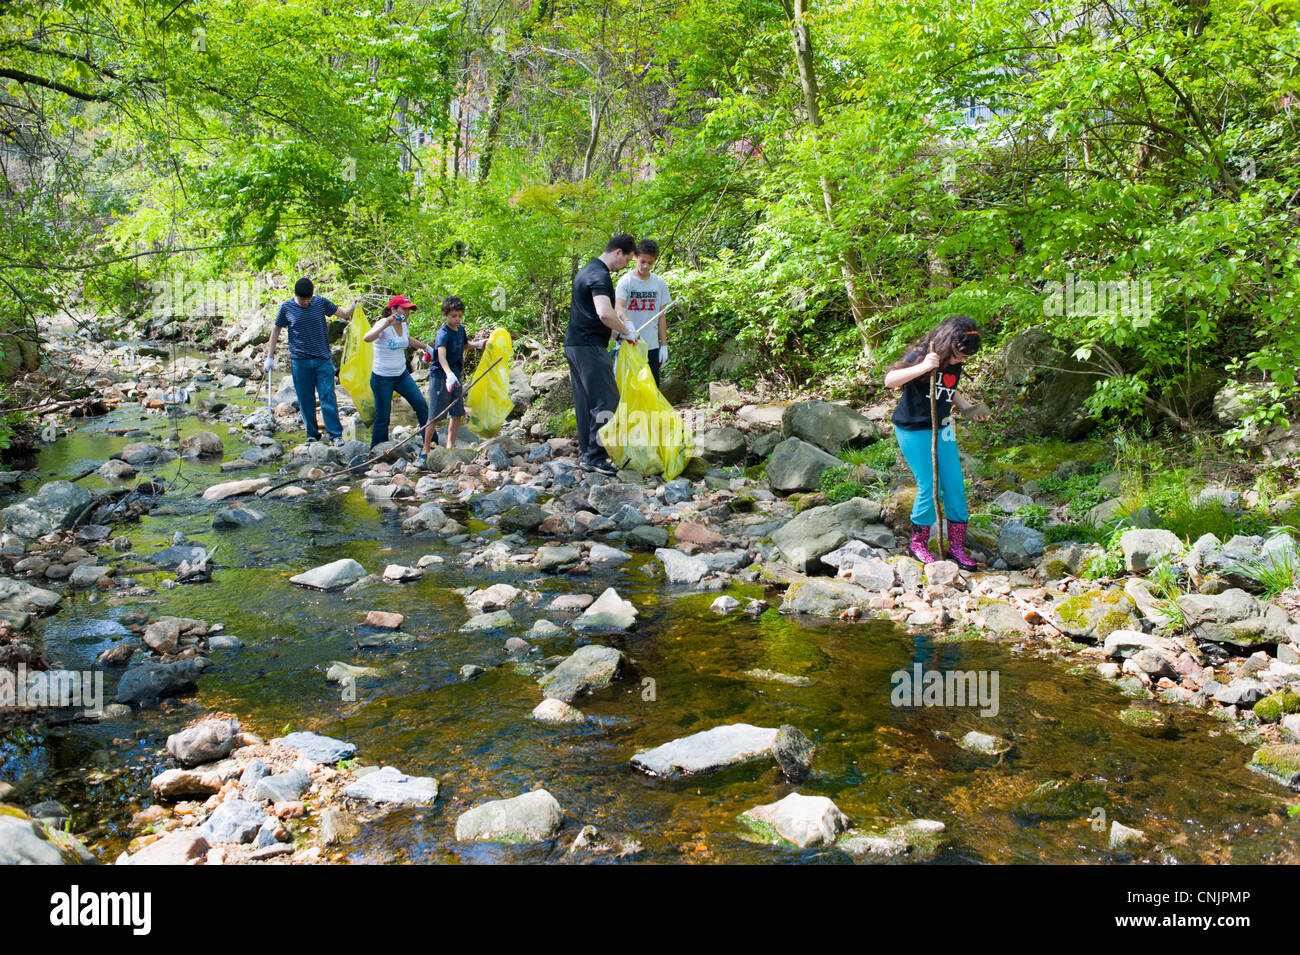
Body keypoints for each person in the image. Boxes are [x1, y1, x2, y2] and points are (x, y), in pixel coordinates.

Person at [883, 314, 989, 570]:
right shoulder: (923, 352)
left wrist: (968, 408)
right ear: (947, 343)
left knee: (954, 486)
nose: (960, 360)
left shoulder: (957, 358)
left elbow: (948, 388)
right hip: (913, 428)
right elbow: (890, 380)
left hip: (943, 428)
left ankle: (956, 547)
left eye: (964, 358)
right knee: (931, 484)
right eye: (957, 356)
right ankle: (917, 544)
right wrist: (923, 367)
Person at [565, 233, 636, 475]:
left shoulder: (587, 270)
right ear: (618, 252)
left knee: (586, 401)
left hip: (575, 345)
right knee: (607, 398)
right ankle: (595, 455)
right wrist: (626, 331)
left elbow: (592, 315)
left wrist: (616, 334)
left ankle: (587, 453)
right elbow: (604, 313)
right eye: (626, 261)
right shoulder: (600, 275)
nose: (624, 267)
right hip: (589, 347)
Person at [265, 278, 357, 445]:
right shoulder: (286, 308)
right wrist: (270, 357)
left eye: (308, 298)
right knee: (305, 399)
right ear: (296, 296)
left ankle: (335, 435)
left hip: (323, 359)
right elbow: (276, 329)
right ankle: (312, 435)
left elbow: (343, 313)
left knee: (327, 396)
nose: (306, 302)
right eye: (302, 299)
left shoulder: (320, 302)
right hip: (300, 361)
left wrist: (354, 305)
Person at [419, 295, 486, 466]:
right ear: (445, 315)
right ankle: (425, 449)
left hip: (456, 374)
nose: (457, 319)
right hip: (441, 377)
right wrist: (448, 374)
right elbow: (440, 355)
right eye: (453, 316)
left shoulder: (460, 330)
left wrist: (479, 344)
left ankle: (450, 447)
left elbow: (464, 345)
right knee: (434, 415)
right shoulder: (443, 333)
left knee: (456, 413)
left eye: (459, 316)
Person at [363, 294, 433, 449]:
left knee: (421, 405)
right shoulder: (383, 323)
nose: (407, 313)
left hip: (401, 375)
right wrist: (386, 324)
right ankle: (377, 449)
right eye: (404, 309)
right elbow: (367, 338)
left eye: (409, 310)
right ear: (393, 309)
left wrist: (427, 348)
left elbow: (407, 340)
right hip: (382, 378)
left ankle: (431, 442)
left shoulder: (403, 324)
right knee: (383, 416)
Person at [615, 238, 673, 389]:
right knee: (628, 388)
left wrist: (664, 345)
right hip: (629, 343)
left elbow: (661, 316)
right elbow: (618, 307)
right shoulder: (625, 281)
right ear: (635, 257)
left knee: (651, 388)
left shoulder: (659, 284)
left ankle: (650, 414)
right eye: (642, 261)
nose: (645, 266)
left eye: (650, 263)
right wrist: (628, 328)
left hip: (651, 345)